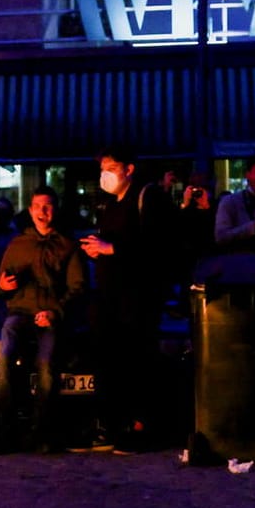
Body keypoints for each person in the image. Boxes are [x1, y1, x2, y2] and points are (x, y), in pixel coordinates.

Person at [77, 147, 170, 454]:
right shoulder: (110, 204)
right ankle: (110, 426)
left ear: (129, 168)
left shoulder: (148, 197)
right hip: (108, 299)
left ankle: (141, 427)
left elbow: (156, 246)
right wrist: (96, 249)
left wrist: (111, 249)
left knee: (138, 362)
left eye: (112, 167)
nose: (106, 173)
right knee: (110, 362)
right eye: (103, 167)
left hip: (136, 300)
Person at [0, 187, 86, 454]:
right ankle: (4, 433)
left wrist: (55, 312)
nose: (43, 212)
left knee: (47, 369)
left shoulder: (67, 246)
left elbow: (77, 288)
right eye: (37, 207)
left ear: (55, 209)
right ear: (30, 210)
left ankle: (42, 433)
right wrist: (3, 285)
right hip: (20, 313)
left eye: (48, 206)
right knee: (5, 360)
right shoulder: (18, 244)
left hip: (50, 316)